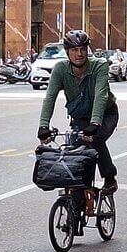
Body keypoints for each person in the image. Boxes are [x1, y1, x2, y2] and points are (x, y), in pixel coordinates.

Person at [37, 30, 119, 193]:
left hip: (105, 114)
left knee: (94, 139)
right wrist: (43, 126)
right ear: (67, 52)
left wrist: (95, 123)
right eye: (74, 50)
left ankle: (110, 178)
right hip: (80, 117)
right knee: (73, 150)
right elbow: (50, 97)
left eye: (82, 49)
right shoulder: (60, 69)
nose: (79, 54)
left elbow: (101, 95)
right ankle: (80, 190)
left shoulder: (99, 65)